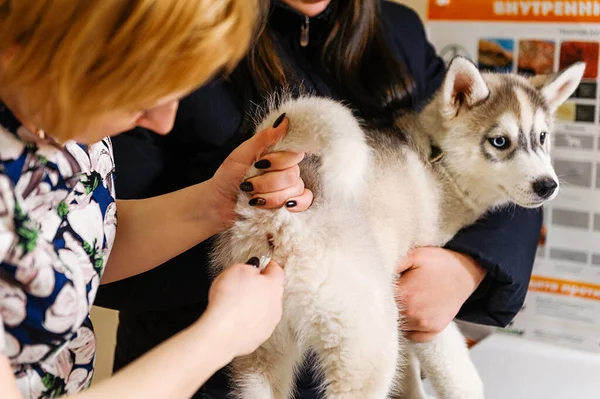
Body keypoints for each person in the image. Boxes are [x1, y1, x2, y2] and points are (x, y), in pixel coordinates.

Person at [97, 0, 543, 398]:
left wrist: (468, 265)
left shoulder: (397, 29)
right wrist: (260, 244)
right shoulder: (185, 21)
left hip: (363, 351)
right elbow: (93, 247)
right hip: (195, 368)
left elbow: (499, 152)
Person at [0, 1, 313, 398]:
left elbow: (76, 246)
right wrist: (218, 337)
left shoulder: (58, 109)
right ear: (60, 51)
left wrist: (215, 202)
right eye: (142, 100)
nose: (163, 123)